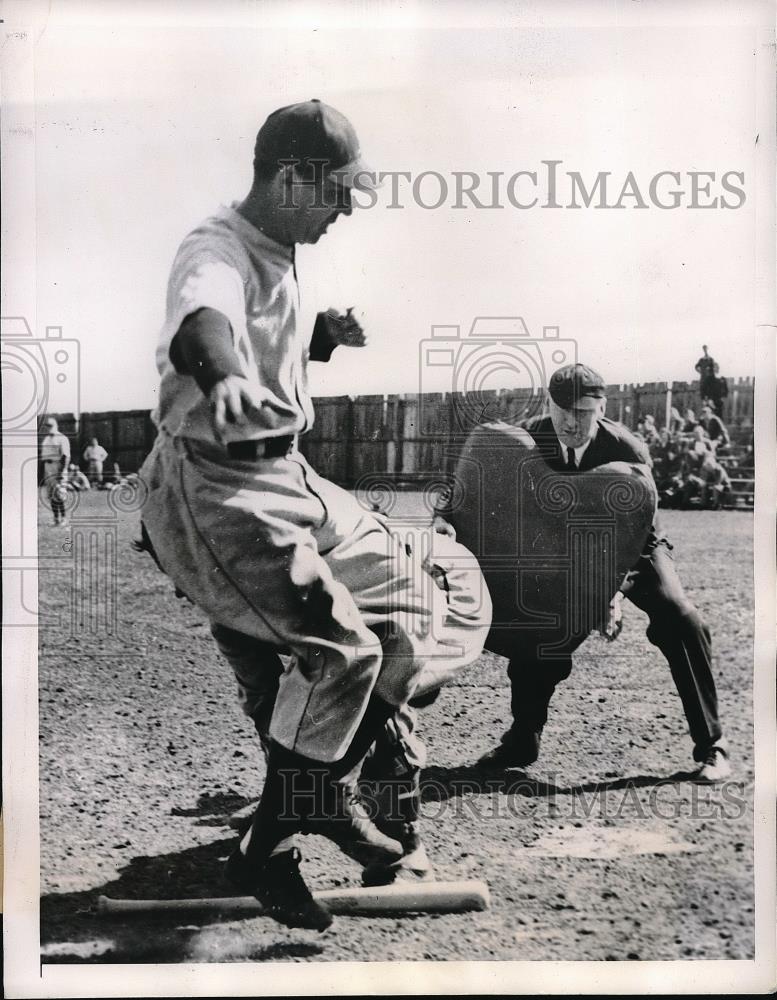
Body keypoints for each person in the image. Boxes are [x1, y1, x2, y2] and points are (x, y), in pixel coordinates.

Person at [138, 100, 490, 930]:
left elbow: (266, 345)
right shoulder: (215, 246)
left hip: (288, 474)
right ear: (291, 176)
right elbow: (204, 322)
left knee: (415, 601)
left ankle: (318, 790)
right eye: (339, 192)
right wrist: (220, 375)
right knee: (342, 656)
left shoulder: (284, 248)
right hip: (216, 487)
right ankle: (270, 844)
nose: (346, 210)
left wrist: (320, 340)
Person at [441, 363, 730, 784]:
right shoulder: (524, 440)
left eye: (584, 412)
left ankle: (712, 746)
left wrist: (609, 591)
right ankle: (523, 739)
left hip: (635, 552)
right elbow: (470, 485)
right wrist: (444, 517)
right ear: (549, 405)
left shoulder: (627, 450)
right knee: (537, 620)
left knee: (679, 616)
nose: (572, 422)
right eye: (563, 411)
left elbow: (638, 527)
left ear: (602, 407)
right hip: (559, 547)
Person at [40, 417, 71, 526]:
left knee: (59, 494)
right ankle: (56, 518)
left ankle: (63, 518)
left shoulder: (62, 438)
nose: (48, 428)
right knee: (50, 494)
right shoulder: (46, 439)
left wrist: (62, 472)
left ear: (55, 426)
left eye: (50, 426)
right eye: (47, 426)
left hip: (57, 466)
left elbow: (66, 456)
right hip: (47, 467)